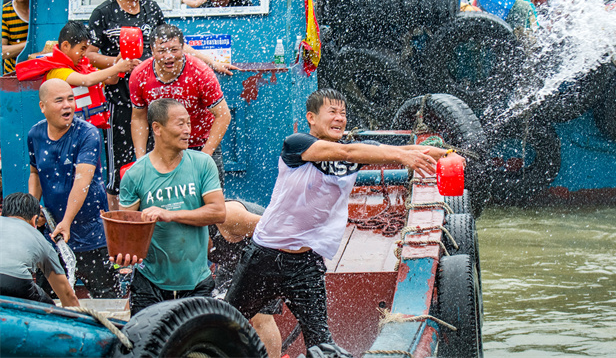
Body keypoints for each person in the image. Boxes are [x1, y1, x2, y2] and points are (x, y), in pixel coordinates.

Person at [224, 88, 462, 357]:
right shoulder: (297, 144)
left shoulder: (354, 151)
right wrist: (400, 158)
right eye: (332, 112)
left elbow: (403, 149)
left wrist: (446, 154)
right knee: (226, 325)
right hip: (264, 257)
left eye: (343, 113)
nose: (340, 118)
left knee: (321, 344)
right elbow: (347, 152)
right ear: (311, 117)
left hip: (305, 264)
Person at [87, 0, 231, 211]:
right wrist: (117, 64)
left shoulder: (152, 10)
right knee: (119, 167)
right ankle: (123, 225)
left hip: (159, 101)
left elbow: (173, 44)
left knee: (182, 181)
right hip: (122, 99)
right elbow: (88, 54)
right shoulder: (104, 12)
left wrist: (212, 61)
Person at [114, 98, 226, 315]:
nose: (187, 131)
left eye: (189, 124)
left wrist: (170, 215)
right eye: (180, 124)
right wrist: (123, 256)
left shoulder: (202, 164)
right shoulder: (135, 174)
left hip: (197, 283)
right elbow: (126, 232)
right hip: (150, 284)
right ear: (157, 128)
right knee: (147, 347)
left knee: (196, 348)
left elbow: (218, 212)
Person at [28, 78, 120, 298]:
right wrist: (31, 212)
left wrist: (67, 221)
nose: (68, 105)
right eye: (59, 100)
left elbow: (82, 181)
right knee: (46, 299)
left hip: (92, 235)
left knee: (108, 298)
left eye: (71, 99)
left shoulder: (88, 133)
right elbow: (35, 174)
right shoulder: (35, 135)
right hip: (55, 236)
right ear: (43, 107)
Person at [129, 24, 231, 184]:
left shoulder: (200, 73)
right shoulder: (140, 75)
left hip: (200, 145)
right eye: (162, 51)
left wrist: (205, 156)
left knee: (211, 205)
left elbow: (223, 115)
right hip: (160, 148)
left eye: (174, 50)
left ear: (183, 48)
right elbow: (139, 119)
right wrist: (141, 160)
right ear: (151, 49)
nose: (168, 56)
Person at [15, 21, 139, 128]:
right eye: (82, 48)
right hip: (67, 130)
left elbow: (111, 80)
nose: (84, 54)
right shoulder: (57, 71)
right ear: (65, 46)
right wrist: (117, 67)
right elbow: (87, 80)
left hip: (86, 128)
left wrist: (120, 61)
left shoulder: (82, 67)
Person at [210, 200, 282, 358]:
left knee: (260, 318)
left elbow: (275, 230)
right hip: (233, 259)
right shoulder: (187, 241)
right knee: (222, 312)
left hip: (267, 250)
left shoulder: (227, 217)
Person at [0, 192, 81, 307]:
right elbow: (67, 295)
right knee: (50, 310)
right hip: (15, 282)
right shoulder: (39, 239)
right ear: (34, 220)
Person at [2, 0, 29, 73]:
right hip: (14, 75)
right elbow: (2, 52)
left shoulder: (41, 8)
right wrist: (29, 44)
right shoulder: (3, 13)